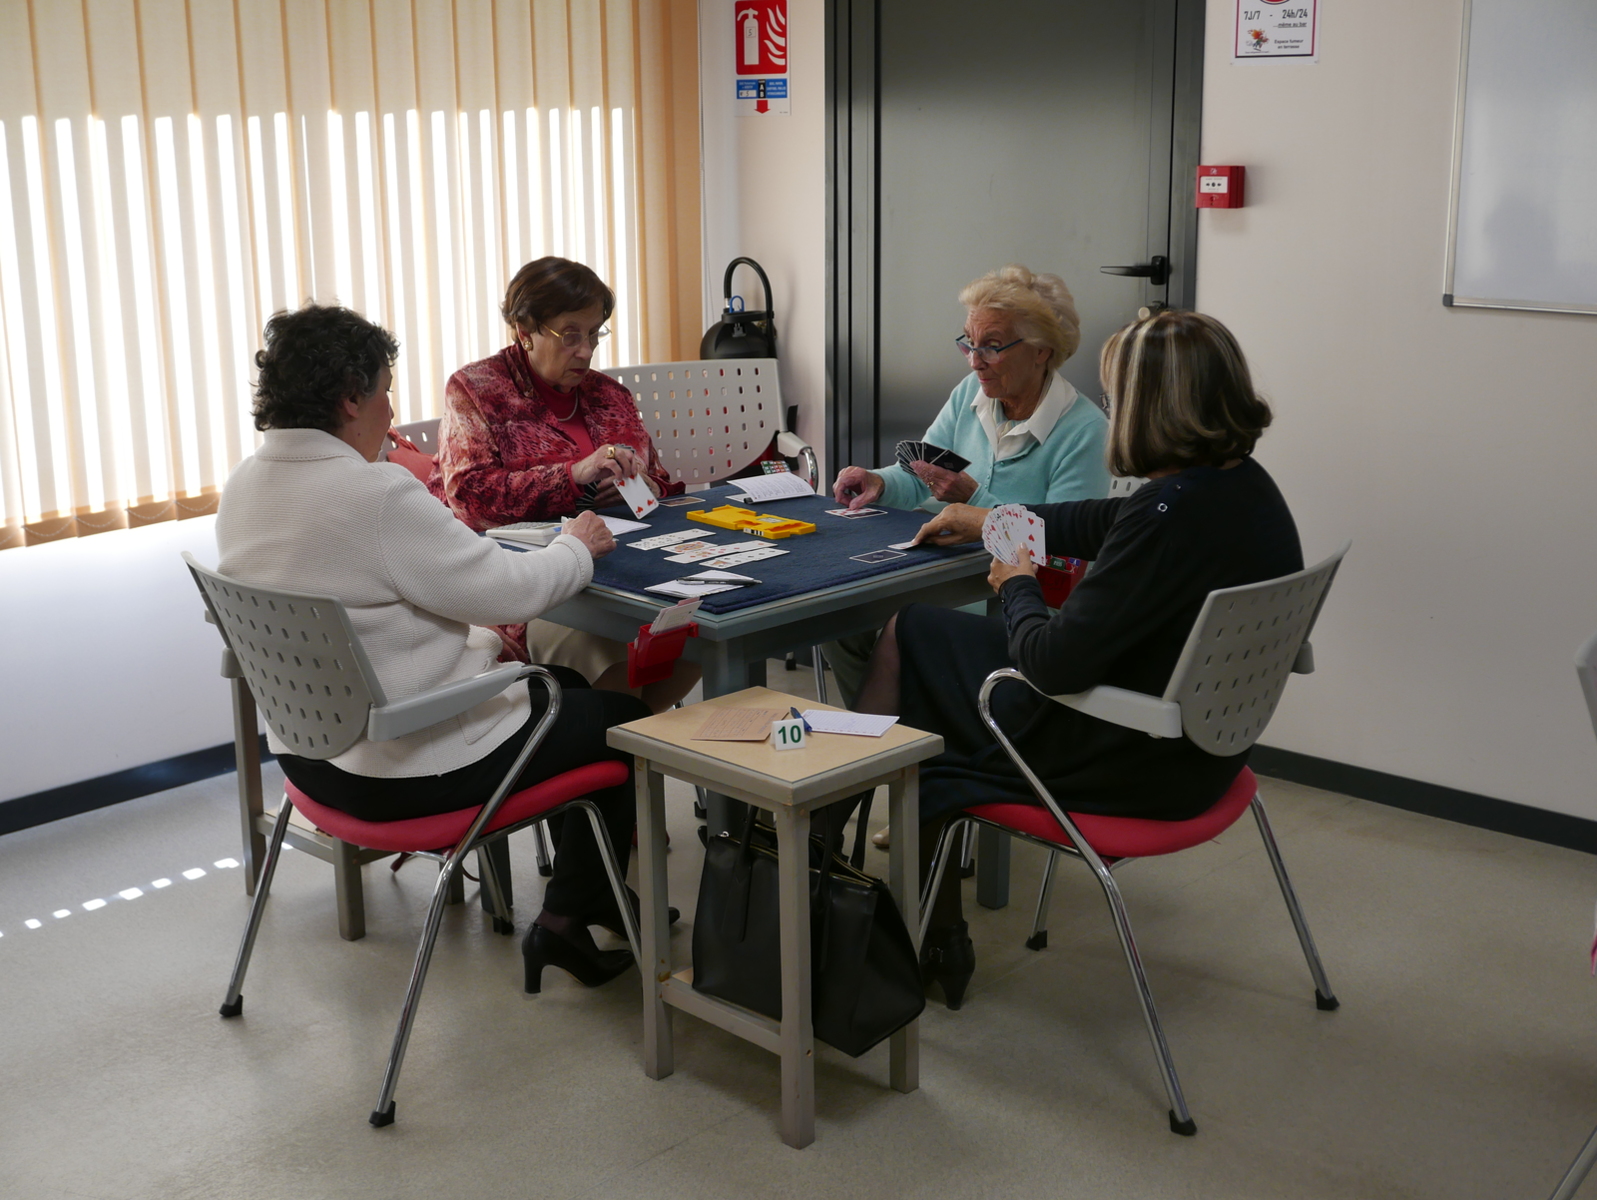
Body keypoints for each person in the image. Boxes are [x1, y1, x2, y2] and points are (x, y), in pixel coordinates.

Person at [850, 310, 1302, 1010]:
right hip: (1209, 750)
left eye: (1117, 398)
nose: (1112, 413)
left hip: (1131, 760)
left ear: (1148, 407)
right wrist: (994, 519)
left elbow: (1049, 664)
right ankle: (909, 906)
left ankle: (835, 840)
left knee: (914, 640)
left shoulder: (1164, 517)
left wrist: (1016, 579)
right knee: (926, 645)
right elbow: (1100, 520)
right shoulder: (1242, 489)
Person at [217, 303, 659, 994]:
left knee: (568, 687)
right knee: (624, 722)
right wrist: (576, 547)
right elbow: (507, 592)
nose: (391, 411)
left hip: (313, 762)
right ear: (351, 397)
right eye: (385, 391)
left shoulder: (244, 486)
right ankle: (570, 915)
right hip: (408, 770)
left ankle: (586, 902)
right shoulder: (374, 494)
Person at [824, 264, 1111, 709]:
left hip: (1016, 602)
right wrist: (879, 481)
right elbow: (924, 474)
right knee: (838, 622)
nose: (975, 361)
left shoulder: (1085, 431)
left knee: (904, 630)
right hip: (937, 576)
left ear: (1041, 350)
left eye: (992, 347)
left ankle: (912, 737)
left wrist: (974, 500)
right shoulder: (970, 394)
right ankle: (895, 739)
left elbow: (1063, 553)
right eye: (969, 343)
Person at [429, 256, 698, 712]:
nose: (586, 351)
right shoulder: (477, 391)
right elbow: (471, 500)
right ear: (525, 330)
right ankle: (608, 742)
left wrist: (644, 486)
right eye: (570, 334)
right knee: (608, 650)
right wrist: (574, 476)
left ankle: (627, 742)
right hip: (527, 587)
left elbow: (661, 482)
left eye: (594, 334)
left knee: (695, 636)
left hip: (628, 575)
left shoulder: (610, 395)